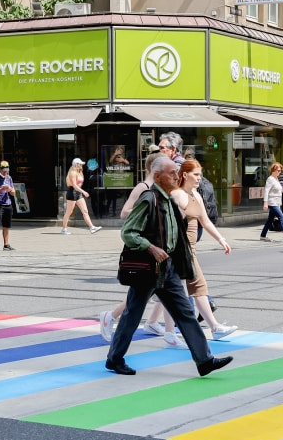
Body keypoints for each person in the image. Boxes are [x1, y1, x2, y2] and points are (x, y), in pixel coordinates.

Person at [104, 156, 233, 378]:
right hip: (148, 269)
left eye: (177, 172)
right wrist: (151, 247)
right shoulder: (149, 199)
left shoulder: (169, 200)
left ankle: (204, 360)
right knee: (132, 315)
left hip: (168, 268)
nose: (176, 175)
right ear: (157, 177)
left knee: (185, 313)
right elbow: (128, 232)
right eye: (172, 172)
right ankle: (114, 359)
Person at [167, 159, 237, 341]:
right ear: (185, 175)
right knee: (196, 286)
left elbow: (205, 221)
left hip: (190, 249)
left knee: (164, 292)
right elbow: (168, 223)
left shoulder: (196, 195)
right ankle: (214, 327)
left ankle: (169, 333)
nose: (199, 178)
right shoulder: (177, 195)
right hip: (178, 251)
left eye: (200, 174)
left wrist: (221, 239)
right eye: (196, 175)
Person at [100, 152, 164, 342]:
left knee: (153, 290)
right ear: (155, 168)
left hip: (157, 244)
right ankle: (111, 317)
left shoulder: (160, 187)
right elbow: (124, 212)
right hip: (144, 245)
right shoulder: (142, 187)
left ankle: (152, 322)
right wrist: (145, 211)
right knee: (143, 292)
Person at [61, 158, 101, 234]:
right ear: (76, 165)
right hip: (72, 193)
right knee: (69, 212)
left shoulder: (79, 172)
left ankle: (92, 227)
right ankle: (64, 229)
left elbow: (79, 185)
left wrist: (81, 192)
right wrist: (84, 192)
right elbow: (74, 185)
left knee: (85, 211)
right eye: (80, 164)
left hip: (78, 193)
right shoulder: (73, 172)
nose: (82, 165)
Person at [260, 162, 283, 244]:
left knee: (270, 220)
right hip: (272, 202)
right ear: (273, 170)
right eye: (278, 170)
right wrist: (265, 203)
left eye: (280, 171)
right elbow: (266, 191)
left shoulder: (276, 179)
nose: (279, 172)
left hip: (277, 202)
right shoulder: (270, 179)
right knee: (282, 217)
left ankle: (263, 235)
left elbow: (278, 190)